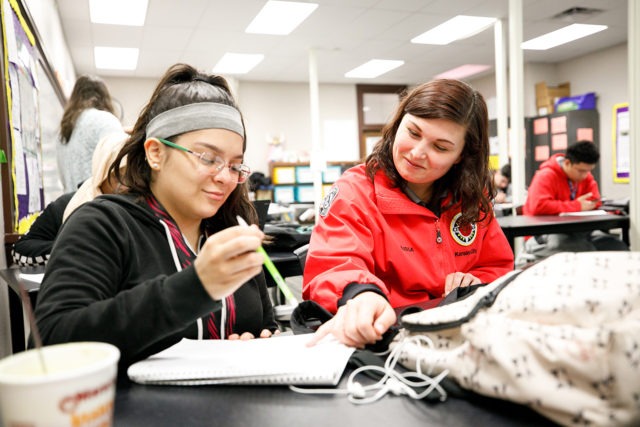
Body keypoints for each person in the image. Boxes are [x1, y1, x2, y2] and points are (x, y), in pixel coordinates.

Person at [35, 64, 277, 370]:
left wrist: (261, 340)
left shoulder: (230, 232)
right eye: (208, 158)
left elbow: (265, 324)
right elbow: (52, 340)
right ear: (155, 153)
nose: (224, 178)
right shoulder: (103, 224)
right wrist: (195, 288)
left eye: (234, 166)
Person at [303, 79, 514, 349]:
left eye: (440, 147)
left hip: (460, 338)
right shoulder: (355, 191)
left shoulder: (471, 198)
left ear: (461, 155)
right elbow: (334, 265)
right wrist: (363, 294)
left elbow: (498, 265)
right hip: (382, 340)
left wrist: (478, 280)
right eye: (413, 132)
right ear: (398, 122)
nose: (417, 153)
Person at [11, 131, 128, 267]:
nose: (126, 185)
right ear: (101, 172)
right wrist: (73, 247)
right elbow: (20, 250)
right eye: (118, 176)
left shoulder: (143, 207)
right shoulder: (68, 205)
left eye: (133, 176)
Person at [521, 140, 628, 260]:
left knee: (618, 247)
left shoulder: (585, 176)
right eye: (581, 171)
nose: (585, 175)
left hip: (577, 231)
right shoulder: (546, 175)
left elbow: (594, 199)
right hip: (545, 233)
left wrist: (586, 204)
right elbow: (539, 206)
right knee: (585, 251)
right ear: (567, 163)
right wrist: (577, 206)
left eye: (589, 170)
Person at [56, 75, 123, 193]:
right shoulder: (106, 120)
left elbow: (62, 178)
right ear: (104, 97)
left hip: (69, 207)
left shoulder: (63, 132)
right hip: (98, 207)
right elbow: (121, 170)